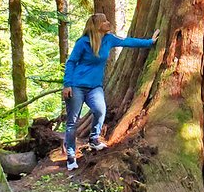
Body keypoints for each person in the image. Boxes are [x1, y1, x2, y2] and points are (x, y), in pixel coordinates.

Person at [62, 13, 159, 170]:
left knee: (100, 110)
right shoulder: (83, 42)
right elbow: (71, 62)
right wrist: (67, 84)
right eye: (104, 21)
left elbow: (127, 42)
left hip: (95, 86)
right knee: (72, 121)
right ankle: (71, 155)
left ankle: (94, 139)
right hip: (76, 86)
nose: (108, 23)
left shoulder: (108, 39)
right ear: (96, 26)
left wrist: (150, 42)